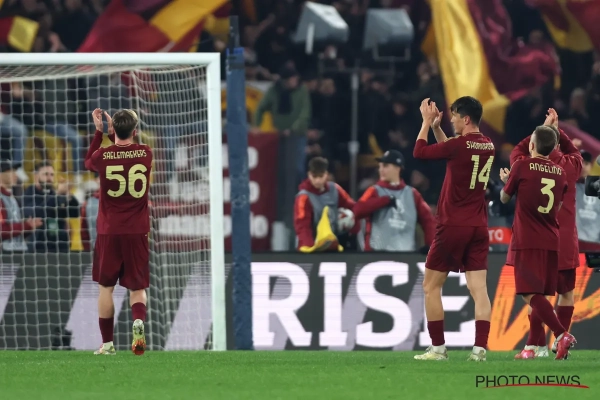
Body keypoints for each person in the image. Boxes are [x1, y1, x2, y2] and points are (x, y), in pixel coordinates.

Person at [413, 97, 494, 361]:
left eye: (455, 116)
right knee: (479, 290)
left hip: (453, 225)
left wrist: (426, 123)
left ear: (466, 119)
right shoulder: (488, 145)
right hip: (479, 225)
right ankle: (479, 350)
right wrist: (438, 129)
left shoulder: (459, 145)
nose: (452, 120)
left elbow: (420, 152)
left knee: (431, 286)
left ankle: (438, 349)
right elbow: (454, 151)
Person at [509, 109, 582, 359]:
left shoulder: (524, 164)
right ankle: (555, 344)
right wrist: (557, 131)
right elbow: (575, 152)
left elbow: (518, 150)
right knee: (566, 293)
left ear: (535, 144)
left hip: (534, 236)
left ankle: (536, 345)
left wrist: (543, 129)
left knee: (534, 292)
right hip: (565, 239)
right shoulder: (571, 166)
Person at [85, 108, 153, 356]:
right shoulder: (146, 153)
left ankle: (108, 345)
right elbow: (130, 147)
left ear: (113, 129)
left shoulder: (103, 155)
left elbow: (88, 162)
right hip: (137, 230)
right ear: (135, 131)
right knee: (137, 288)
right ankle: (138, 322)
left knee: (106, 287)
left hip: (109, 230)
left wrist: (100, 132)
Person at [354, 149, 435, 252]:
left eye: (385, 166)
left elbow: (428, 220)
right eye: (380, 166)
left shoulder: (413, 194)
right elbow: (357, 210)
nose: (381, 170)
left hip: (406, 255)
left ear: (397, 168)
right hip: (377, 254)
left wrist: (430, 245)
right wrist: (384, 201)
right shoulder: (373, 190)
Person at [294, 157, 355, 252]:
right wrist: (309, 247)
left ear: (326, 174)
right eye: (314, 176)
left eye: (321, 176)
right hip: (311, 246)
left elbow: (352, 206)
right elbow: (302, 225)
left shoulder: (335, 189)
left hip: (333, 245)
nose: (317, 180)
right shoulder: (303, 197)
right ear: (309, 175)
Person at [22, 162, 81, 253]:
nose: (49, 178)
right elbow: (37, 213)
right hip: (39, 247)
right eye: (46, 174)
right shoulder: (30, 193)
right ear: (36, 176)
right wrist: (58, 194)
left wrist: (69, 195)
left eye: (52, 175)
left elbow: (75, 213)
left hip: (60, 245)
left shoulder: (53, 193)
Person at [0, 160, 42, 252]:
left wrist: (30, 227)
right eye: (11, 171)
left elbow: (17, 232)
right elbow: (2, 230)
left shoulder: (13, 198)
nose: (16, 175)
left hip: (19, 251)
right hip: (5, 254)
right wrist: (26, 226)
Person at [576, 149, 600, 252]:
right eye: (580, 163)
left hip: (594, 243)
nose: (583, 166)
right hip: (576, 241)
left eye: (586, 163)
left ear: (591, 166)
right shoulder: (571, 186)